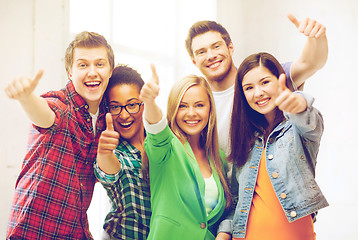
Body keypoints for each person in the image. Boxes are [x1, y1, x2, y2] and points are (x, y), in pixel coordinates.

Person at [4, 31, 114, 239]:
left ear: (110, 70)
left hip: (75, 230)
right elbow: (45, 114)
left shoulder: (106, 118)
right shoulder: (61, 105)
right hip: (31, 231)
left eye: (100, 64)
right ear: (70, 73)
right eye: (83, 65)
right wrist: (27, 98)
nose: (92, 72)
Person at [218, 52, 328, 239]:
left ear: (280, 81)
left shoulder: (296, 128)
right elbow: (237, 200)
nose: (258, 93)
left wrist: (299, 104)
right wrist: (224, 232)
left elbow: (311, 123)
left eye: (265, 82)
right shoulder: (245, 139)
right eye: (248, 87)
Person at [185, 14, 328, 157]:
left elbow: (310, 63)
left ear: (230, 47)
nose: (210, 56)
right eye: (201, 52)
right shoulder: (197, 104)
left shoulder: (264, 80)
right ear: (194, 61)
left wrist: (316, 38)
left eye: (216, 46)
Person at [140, 65, 231, 240]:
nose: (191, 113)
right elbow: (156, 130)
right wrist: (150, 102)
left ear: (209, 109)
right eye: (183, 106)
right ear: (174, 109)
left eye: (199, 105)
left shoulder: (218, 157)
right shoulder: (167, 148)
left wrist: (223, 234)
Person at [94, 65, 151, 240]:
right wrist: (104, 154)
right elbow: (109, 172)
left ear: (144, 104)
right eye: (115, 107)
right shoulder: (115, 151)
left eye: (132, 105)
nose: (124, 115)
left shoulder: (160, 142)